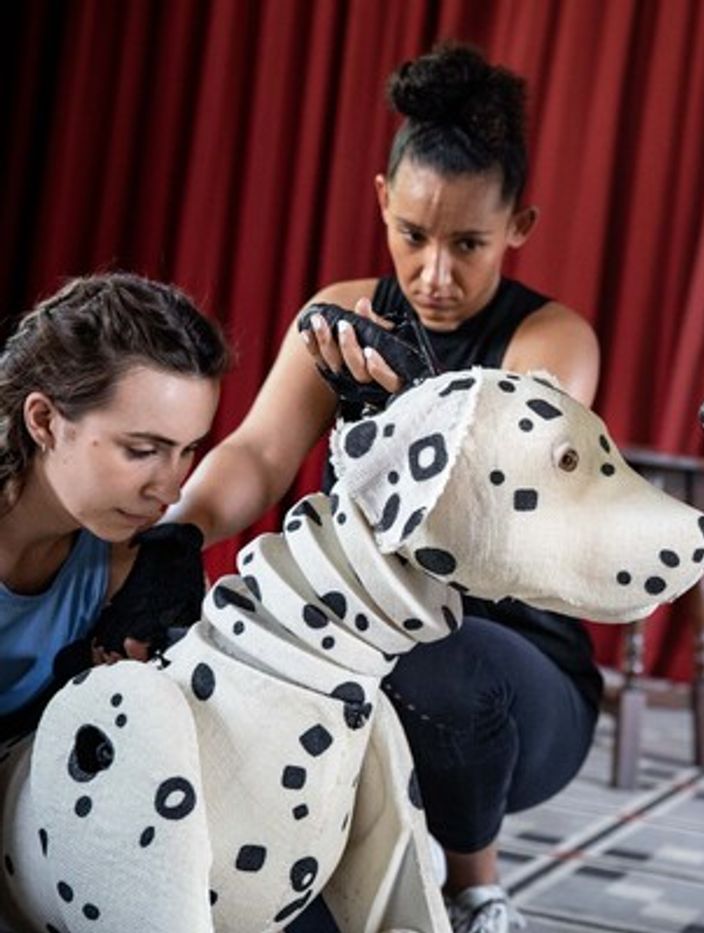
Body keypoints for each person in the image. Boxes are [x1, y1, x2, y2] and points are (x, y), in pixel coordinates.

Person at [168, 43, 602, 933]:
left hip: (516, 680)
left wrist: (410, 406)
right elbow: (255, 454)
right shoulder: (341, 309)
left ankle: (476, 891)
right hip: (358, 644)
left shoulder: (553, 339)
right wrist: (174, 535)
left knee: (437, 661)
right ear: (381, 202)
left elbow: (487, 494)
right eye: (413, 235)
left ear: (520, 225)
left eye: (469, 244)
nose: (434, 274)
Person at [0, 272, 229, 741]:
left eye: (187, 451)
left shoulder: (138, 570)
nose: (170, 492)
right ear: (45, 420)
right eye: (143, 450)